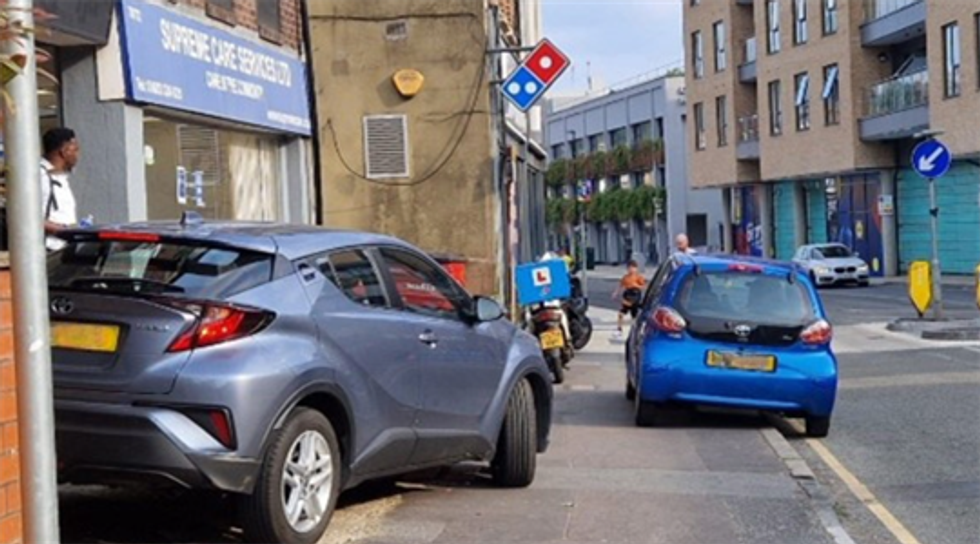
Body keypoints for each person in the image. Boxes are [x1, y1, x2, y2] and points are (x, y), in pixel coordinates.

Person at [40, 127, 81, 252]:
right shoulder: (40, 175)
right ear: (64, 151)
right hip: (48, 250)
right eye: (76, 149)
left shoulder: (59, 176)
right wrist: (62, 230)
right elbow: (25, 216)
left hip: (63, 247)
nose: (78, 155)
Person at [612, 259, 646, 338]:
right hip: (627, 295)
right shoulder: (625, 277)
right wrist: (615, 293)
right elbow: (621, 286)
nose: (631, 270)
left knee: (635, 316)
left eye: (633, 268)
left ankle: (637, 331)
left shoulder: (639, 277)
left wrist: (636, 285)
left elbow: (644, 287)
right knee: (621, 313)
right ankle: (619, 329)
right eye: (630, 268)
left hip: (635, 295)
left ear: (636, 269)